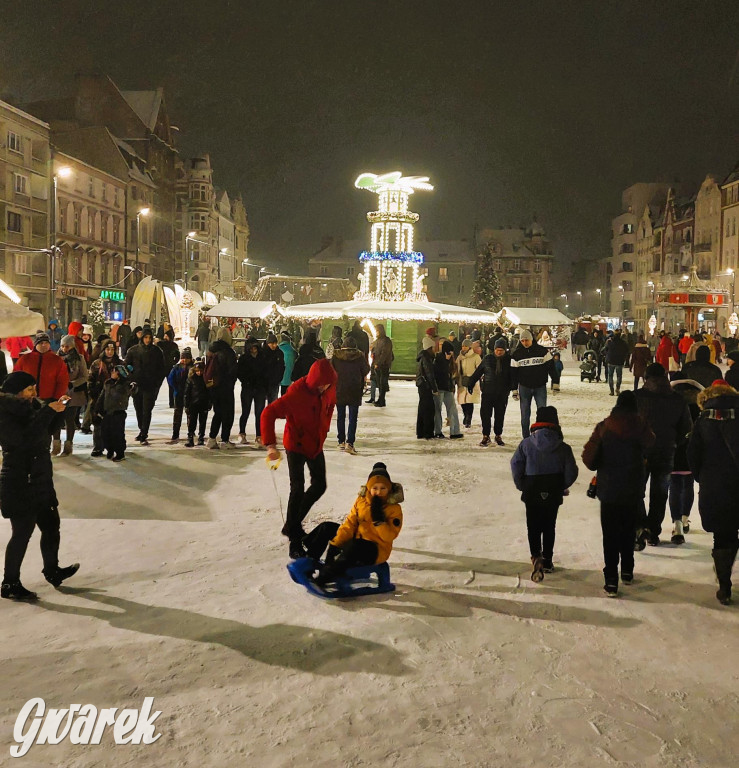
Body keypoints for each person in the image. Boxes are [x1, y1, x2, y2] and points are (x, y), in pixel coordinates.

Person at [0, 371, 78, 601]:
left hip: (40, 478)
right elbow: (24, 439)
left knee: (51, 525)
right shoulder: (5, 414)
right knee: (22, 533)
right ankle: (9, 582)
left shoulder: (32, 408)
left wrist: (56, 412)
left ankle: (52, 570)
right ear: (16, 393)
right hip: (19, 480)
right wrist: (47, 412)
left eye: (35, 388)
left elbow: (42, 432)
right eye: (29, 389)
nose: (35, 393)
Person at [262, 358, 337, 559]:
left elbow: (327, 410)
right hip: (295, 445)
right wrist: (271, 445)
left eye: (327, 384)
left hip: (315, 445)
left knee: (319, 485)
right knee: (297, 488)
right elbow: (268, 413)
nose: (324, 388)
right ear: (313, 380)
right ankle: (294, 540)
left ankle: (291, 524)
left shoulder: (329, 389)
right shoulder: (296, 394)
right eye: (321, 384)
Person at [582, 390, 656, 596]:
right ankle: (627, 571)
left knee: (610, 535)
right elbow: (652, 446)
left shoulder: (605, 427)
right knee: (628, 530)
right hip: (632, 488)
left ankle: (611, 579)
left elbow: (589, 459)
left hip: (609, 489)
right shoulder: (642, 427)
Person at [302, 462, 403, 589]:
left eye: (383, 488)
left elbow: (389, 536)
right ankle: (309, 562)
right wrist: (336, 543)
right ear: (369, 488)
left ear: (389, 489)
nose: (378, 492)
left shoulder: (393, 509)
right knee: (326, 527)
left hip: (376, 548)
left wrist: (379, 522)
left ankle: (326, 576)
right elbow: (350, 523)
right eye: (375, 488)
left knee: (354, 546)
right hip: (357, 538)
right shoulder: (361, 501)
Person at [510, 406, 578, 582]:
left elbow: (516, 464)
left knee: (533, 525)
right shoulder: (563, 447)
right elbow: (572, 471)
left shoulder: (526, 444)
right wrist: (561, 485)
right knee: (549, 525)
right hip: (553, 489)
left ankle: (535, 555)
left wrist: (522, 485)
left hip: (532, 488)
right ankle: (547, 559)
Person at [688, 380, 739, 603]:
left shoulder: (703, 421)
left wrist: (702, 478)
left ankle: (725, 585)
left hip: (715, 484)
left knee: (723, 534)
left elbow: (693, 454)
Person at [634, 363, 693, 547]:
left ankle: (640, 526)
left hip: (639, 452)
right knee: (659, 495)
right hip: (666, 452)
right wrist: (675, 442)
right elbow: (686, 429)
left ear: (646, 378)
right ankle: (653, 531)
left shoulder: (636, 397)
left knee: (635, 491)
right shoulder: (677, 399)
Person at [124, 327, 166, 446]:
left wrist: (157, 383)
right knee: (139, 409)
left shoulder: (157, 351)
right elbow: (126, 365)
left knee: (147, 409)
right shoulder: (133, 351)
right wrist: (131, 378)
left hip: (150, 385)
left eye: (149, 337)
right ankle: (141, 428)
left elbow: (162, 368)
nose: (147, 340)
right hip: (137, 385)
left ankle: (144, 432)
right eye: (145, 337)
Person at [468, 337, 513, 447]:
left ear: (505, 350)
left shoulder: (509, 360)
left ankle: (498, 435)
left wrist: (511, 388)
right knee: (485, 415)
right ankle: (486, 436)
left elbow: (513, 376)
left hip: (502, 393)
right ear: (494, 349)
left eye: (501, 350)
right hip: (488, 392)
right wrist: (471, 383)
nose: (499, 352)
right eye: (497, 350)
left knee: (499, 415)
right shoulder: (487, 359)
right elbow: (478, 372)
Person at [510, 329, 553, 438]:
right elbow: (513, 374)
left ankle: (542, 435)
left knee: (542, 412)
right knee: (525, 414)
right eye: (523, 341)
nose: (525, 343)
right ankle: (526, 437)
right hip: (524, 387)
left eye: (527, 340)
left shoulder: (542, 351)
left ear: (531, 339)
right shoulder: (516, 354)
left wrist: (555, 382)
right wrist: (514, 389)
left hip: (540, 386)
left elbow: (551, 367)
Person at [331, 336, 370, 454]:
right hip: (354, 389)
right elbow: (366, 370)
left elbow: (331, 369)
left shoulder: (336, 357)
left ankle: (341, 441)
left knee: (341, 416)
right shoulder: (359, 357)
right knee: (353, 418)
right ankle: (350, 443)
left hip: (340, 388)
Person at [14, 332, 69, 415]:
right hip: (27, 399)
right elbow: (15, 377)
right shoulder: (24, 359)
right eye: (41, 343)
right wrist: (18, 395)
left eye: (46, 342)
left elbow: (62, 381)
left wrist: (56, 398)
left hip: (48, 399)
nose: (44, 345)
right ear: (35, 344)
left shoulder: (57, 360)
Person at [93, 364, 137, 461]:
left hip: (118, 412)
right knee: (106, 433)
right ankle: (110, 449)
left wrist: (132, 386)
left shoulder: (125, 384)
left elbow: (132, 391)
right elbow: (102, 396)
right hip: (107, 412)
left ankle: (120, 452)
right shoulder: (108, 383)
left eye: (114, 371)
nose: (112, 373)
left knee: (117, 434)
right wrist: (97, 409)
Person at [54, 334, 89, 456]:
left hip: (73, 394)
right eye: (62, 346)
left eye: (67, 346)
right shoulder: (56, 358)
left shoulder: (79, 358)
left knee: (69, 420)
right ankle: (56, 445)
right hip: (58, 394)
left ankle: (68, 446)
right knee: (57, 420)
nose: (64, 349)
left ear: (72, 346)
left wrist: (72, 384)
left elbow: (85, 376)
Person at [204, 327, 238, 449]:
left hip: (214, 387)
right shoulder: (228, 352)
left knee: (217, 413)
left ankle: (212, 438)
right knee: (228, 413)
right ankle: (225, 440)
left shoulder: (211, 350)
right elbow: (232, 371)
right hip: (226, 387)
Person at [87, 340, 121, 457]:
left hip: (115, 399)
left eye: (112, 350)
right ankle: (98, 447)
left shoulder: (119, 364)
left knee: (114, 425)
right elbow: (90, 380)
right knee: (98, 423)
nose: (110, 352)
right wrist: (93, 395)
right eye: (108, 349)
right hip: (99, 398)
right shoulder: (97, 364)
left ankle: (114, 447)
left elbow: (126, 381)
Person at [237, 337, 268, 446]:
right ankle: (242, 433)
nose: (253, 350)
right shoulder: (244, 359)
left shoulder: (262, 358)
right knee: (245, 411)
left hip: (260, 389)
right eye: (252, 348)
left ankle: (259, 436)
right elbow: (239, 373)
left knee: (259, 413)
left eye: (255, 347)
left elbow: (266, 373)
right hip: (248, 388)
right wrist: (246, 381)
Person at [433, 340, 462, 439]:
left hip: (448, 388)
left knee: (452, 409)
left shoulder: (450, 360)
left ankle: (454, 431)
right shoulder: (438, 360)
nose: (451, 354)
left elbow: (451, 374)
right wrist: (446, 360)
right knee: (437, 410)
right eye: (450, 352)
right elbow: (440, 373)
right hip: (439, 388)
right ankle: (437, 431)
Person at [166, 348, 193, 443]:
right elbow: (170, 379)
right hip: (178, 393)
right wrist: (176, 388)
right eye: (183, 358)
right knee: (177, 413)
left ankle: (191, 432)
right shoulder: (177, 368)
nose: (184, 360)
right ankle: (175, 432)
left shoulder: (193, 368)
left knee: (190, 413)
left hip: (190, 395)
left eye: (187, 358)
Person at [184, 361, 210, 447]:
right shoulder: (191, 379)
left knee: (202, 422)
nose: (199, 372)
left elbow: (210, 392)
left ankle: (201, 437)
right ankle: (190, 437)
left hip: (204, 404)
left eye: (201, 370)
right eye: (197, 370)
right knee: (192, 422)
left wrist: (210, 403)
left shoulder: (207, 379)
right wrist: (186, 405)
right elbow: (186, 393)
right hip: (193, 404)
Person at [456, 338, 481, 429]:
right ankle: (465, 415)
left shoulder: (475, 357)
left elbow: (479, 369)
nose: (464, 347)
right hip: (462, 381)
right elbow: (457, 368)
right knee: (463, 401)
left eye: (466, 346)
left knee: (470, 401)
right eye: (463, 346)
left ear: (470, 347)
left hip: (471, 381)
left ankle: (468, 418)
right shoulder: (459, 357)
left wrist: (473, 378)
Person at [415, 336, 437, 440]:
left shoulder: (423, 357)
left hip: (421, 384)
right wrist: (434, 388)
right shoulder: (426, 358)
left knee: (423, 408)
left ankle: (421, 431)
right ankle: (427, 432)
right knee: (429, 409)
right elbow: (429, 374)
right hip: (425, 385)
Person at [371, 324, 393, 408]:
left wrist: (378, 363)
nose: (376, 332)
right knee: (379, 384)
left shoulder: (386, 341)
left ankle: (382, 400)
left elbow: (385, 353)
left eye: (377, 331)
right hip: (377, 364)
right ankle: (380, 399)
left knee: (383, 383)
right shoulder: (377, 341)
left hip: (384, 365)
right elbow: (375, 351)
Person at [604, 328, 629, 396]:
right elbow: (627, 351)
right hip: (619, 361)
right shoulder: (623, 342)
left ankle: (611, 390)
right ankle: (617, 389)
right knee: (619, 376)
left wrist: (608, 355)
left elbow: (605, 350)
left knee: (610, 376)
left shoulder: (609, 341)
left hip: (611, 360)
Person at [262, 332, 285, 404]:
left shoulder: (279, 353)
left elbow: (282, 366)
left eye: (275, 343)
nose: (274, 345)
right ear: (268, 343)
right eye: (272, 343)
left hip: (275, 382)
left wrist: (279, 378)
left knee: (273, 403)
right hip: (264, 382)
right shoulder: (262, 353)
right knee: (261, 403)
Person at [278, 331, 297, 396]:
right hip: (291, 377)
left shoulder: (279, 349)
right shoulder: (293, 350)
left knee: (283, 395)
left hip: (282, 376)